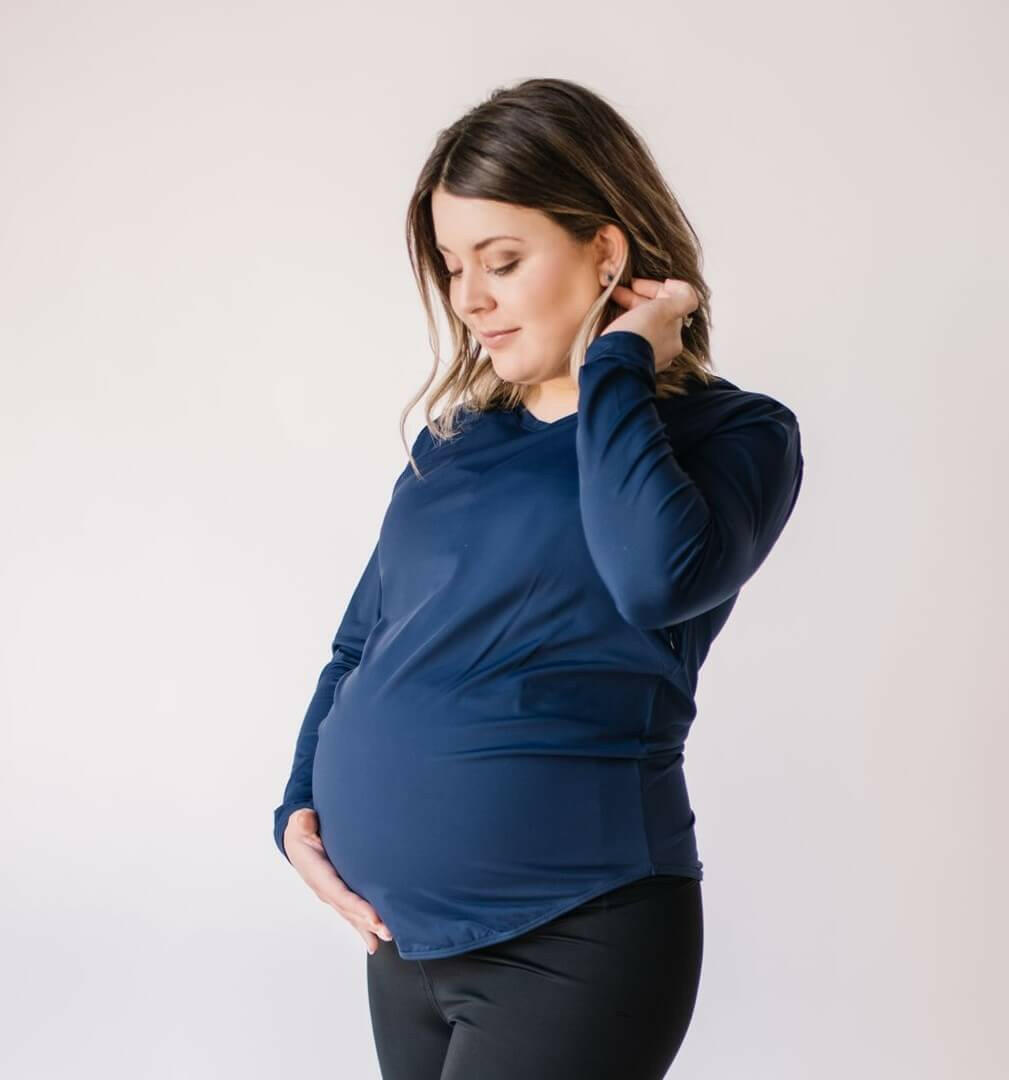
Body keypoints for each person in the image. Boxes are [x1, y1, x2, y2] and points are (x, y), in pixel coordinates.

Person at [272, 76, 804, 1080]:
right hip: (405, 946)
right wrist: (299, 802)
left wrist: (617, 367)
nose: (470, 299)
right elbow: (363, 644)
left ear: (607, 252)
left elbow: (655, 577)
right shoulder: (462, 441)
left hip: (575, 939)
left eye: (503, 261)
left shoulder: (734, 436)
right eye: (453, 266)